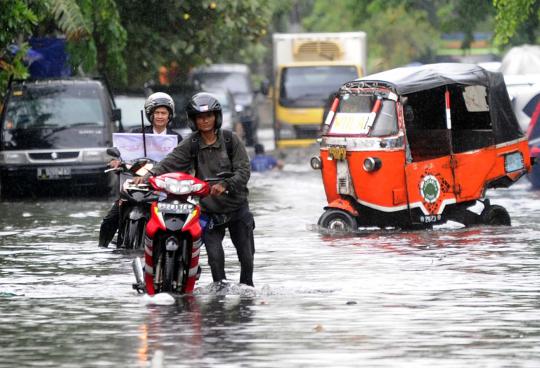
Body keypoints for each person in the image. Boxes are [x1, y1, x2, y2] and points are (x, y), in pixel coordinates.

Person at [134, 92, 255, 287]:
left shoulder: (230, 140)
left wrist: (225, 185)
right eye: (200, 117)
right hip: (210, 212)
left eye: (208, 116)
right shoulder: (191, 142)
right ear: (194, 120)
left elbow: (244, 171)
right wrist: (149, 176)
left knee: (247, 259)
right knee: (215, 260)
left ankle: (247, 296)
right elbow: (170, 162)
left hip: (237, 209)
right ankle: (219, 297)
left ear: (216, 117)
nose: (205, 121)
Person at [98, 92, 181, 248]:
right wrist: (116, 162)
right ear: (150, 114)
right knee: (109, 220)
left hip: (162, 190)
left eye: (164, 113)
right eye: (156, 112)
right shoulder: (136, 134)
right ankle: (102, 248)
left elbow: (182, 163)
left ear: (170, 115)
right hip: (134, 188)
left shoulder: (177, 139)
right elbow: (123, 155)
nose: (160, 116)